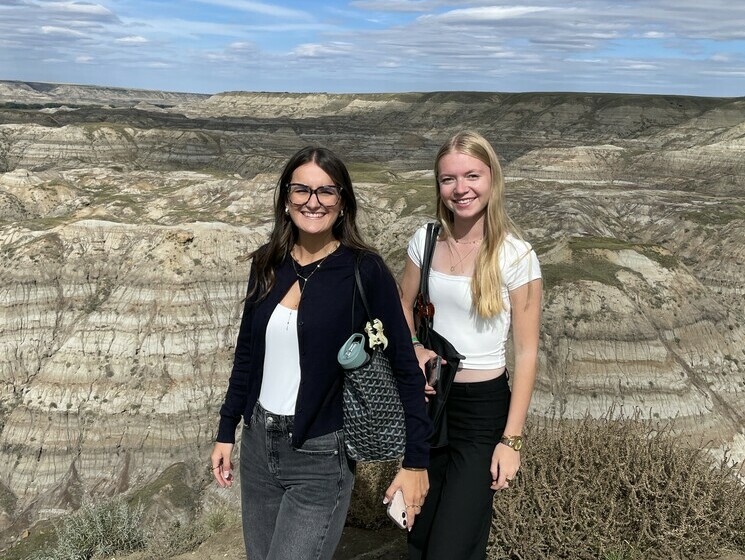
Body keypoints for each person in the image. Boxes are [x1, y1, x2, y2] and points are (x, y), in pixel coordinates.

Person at [211, 146, 432, 560]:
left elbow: (404, 366)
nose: (313, 202)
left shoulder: (363, 270)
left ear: (343, 202)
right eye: (302, 190)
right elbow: (247, 355)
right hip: (258, 445)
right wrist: (227, 430)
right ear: (286, 199)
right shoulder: (267, 263)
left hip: (320, 457)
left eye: (326, 192)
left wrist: (415, 462)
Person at [399, 130, 542, 560]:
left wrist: (511, 441)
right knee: (419, 534)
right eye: (448, 180)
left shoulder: (516, 256)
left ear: (492, 178)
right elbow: (401, 307)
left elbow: (527, 353)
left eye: (472, 176)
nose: (461, 189)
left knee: (452, 544)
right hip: (428, 403)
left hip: (482, 411)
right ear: (438, 187)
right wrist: (413, 348)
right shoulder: (424, 241)